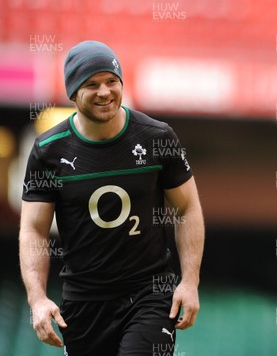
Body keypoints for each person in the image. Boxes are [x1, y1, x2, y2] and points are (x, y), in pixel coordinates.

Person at [19, 40, 205, 356]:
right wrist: (37, 299)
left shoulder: (157, 138)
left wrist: (189, 282)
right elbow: (33, 229)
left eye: (111, 81)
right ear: (73, 93)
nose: (104, 92)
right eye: (91, 84)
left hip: (150, 295)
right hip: (83, 303)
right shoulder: (48, 151)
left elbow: (187, 208)